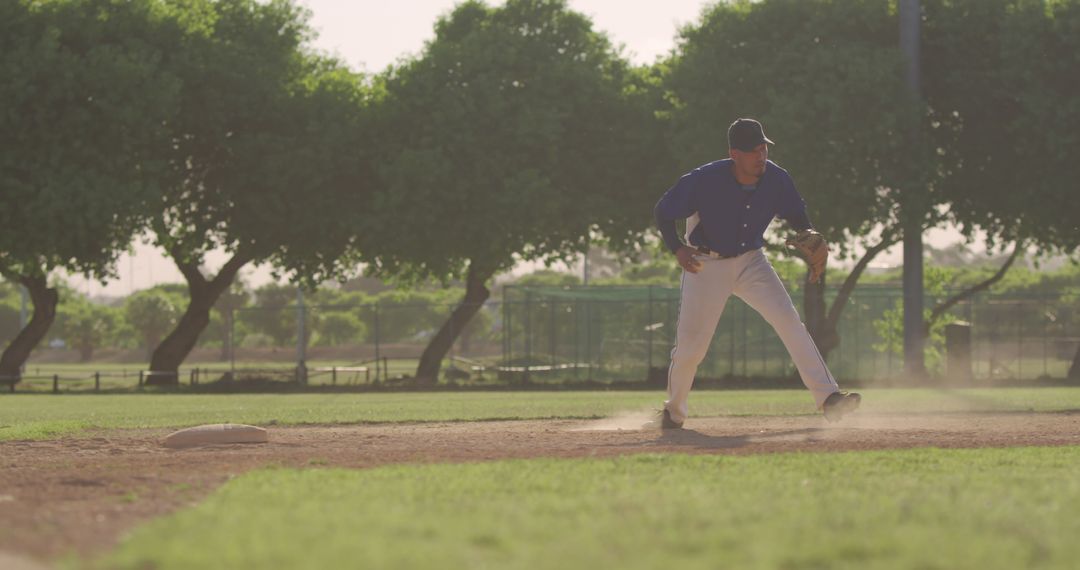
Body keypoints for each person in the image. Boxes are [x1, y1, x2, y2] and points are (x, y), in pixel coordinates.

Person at [650, 118, 860, 429]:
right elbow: (663, 211)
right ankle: (673, 412)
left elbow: (797, 214)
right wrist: (677, 248)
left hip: (751, 261)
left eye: (763, 149)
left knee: (789, 322)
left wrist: (808, 232)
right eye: (752, 151)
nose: (760, 156)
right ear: (734, 154)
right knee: (692, 346)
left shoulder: (776, 179)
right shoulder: (705, 179)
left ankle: (829, 398)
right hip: (706, 264)